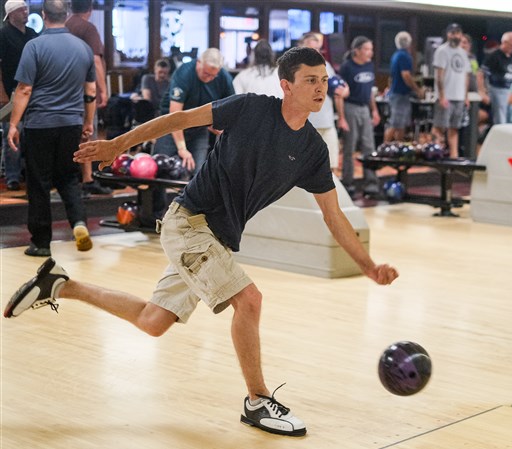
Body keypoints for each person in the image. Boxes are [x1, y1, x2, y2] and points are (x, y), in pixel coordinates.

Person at [5, 46, 399, 437]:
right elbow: (178, 117)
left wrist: (368, 266)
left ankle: (60, 284)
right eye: (311, 80)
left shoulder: (313, 149)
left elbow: (333, 215)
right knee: (249, 299)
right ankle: (258, 400)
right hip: (189, 223)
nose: (320, 88)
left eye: (324, 80)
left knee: (153, 321)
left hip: (217, 239)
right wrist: (117, 145)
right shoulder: (250, 108)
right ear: (286, 86)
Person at [6, 0, 96, 256]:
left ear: (43, 15)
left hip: (40, 124)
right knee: (69, 178)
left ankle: (41, 243)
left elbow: (24, 89)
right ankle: (79, 223)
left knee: (39, 182)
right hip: (71, 123)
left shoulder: (34, 46)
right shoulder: (83, 48)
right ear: (66, 15)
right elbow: (90, 91)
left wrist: (13, 124)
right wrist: (87, 122)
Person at [153, 48, 235, 175]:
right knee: (159, 168)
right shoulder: (184, 73)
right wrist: (182, 148)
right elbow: (175, 114)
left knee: (198, 173)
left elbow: (231, 109)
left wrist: (219, 126)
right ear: (198, 62)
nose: (210, 78)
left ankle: (189, 194)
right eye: (207, 73)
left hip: (198, 127)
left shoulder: (224, 78)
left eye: (214, 75)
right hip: (170, 125)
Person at [65, 0, 111, 195]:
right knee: (88, 132)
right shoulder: (88, 28)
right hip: (85, 89)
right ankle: (87, 178)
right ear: (90, 10)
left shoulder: (65, 25)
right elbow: (95, 60)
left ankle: (73, 179)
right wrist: (103, 89)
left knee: (72, 133)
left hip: (64, 89)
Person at [0, 0, 37, 191]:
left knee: (30, 134)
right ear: (11, 14)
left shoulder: (32, 34)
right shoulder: (3, 34)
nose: (25, 12)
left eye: (25, 8)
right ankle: (12, 176)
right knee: (12, 133)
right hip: (11, 91)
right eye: (21, 9)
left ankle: (29, 171)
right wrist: (2, 93)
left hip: (32, 91)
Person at [298, 32, 349, 171]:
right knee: (306, 168)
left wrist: (344, 89)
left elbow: (337, 87)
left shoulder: (325, 66)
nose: (316, 52)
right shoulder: (295, 68)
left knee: (331, 165)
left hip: (327, 122)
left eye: (318, 49)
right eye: (312, 48)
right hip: (306, 124)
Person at [338, 36, 381, 197]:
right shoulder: (347, 67)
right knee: (350, 147)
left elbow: (370, 91)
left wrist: (374, 110)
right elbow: (340, 95)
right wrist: (341, 117)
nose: (371, 52)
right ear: (357, 51)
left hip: (365, 108)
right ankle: (348, 182)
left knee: (369, 147)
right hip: (350, 107)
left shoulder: (369, 66)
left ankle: (371, 183)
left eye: (371, 49)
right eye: (367, 49)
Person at [431, 23, 471, 159]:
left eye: (458, 33)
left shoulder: (463, 53)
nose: (455, 35)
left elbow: (466, 75)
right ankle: (435, 153)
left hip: (459, 96)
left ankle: (454, 156)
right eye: (452, 33)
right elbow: (439, 75)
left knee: (455, 128)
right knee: (440, 127)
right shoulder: (442, 51)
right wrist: (442, 96)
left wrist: (466, 96)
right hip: (446, 96)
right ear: (448, 34)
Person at [385, 31, 424, 143]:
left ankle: (398, 149)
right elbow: (406, 75)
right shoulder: (405, 56)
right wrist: (418, 90)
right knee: (395, 124)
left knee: (400, 126)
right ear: (409, 43)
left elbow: (391, 78)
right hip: (400, 95)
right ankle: (382, 152)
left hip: (396, 94)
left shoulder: (395, 55)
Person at [477, 31, 512, 125]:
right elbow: (480, 73)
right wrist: (482, 92)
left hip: (511, 90)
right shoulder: (494, 55)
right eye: (511, 45)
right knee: (501, 119)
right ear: (504, 42)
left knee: (511, 118)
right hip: (498, 90)